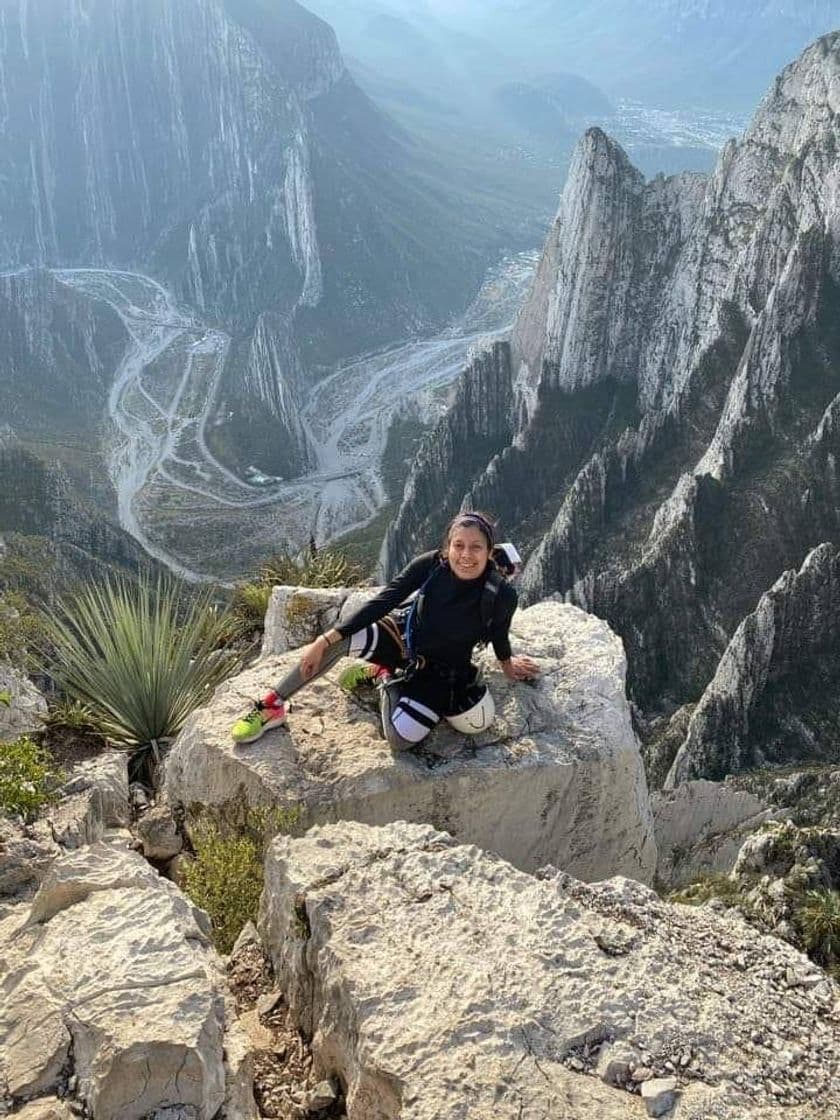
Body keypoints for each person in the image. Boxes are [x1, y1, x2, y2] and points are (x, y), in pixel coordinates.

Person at [230, 511, 539, 751]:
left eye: (476, 547)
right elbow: (385, 600)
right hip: (402, 638)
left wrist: (508, 666)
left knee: (401, 739)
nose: (466, 555)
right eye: (458, 545)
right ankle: (272, 704)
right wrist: (324, 640)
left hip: (440, 673)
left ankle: (384, 677)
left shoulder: (500, 595)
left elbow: (499, 632)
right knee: (340, 643)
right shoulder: (430, 566)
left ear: (488, 552)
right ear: (446, 548)